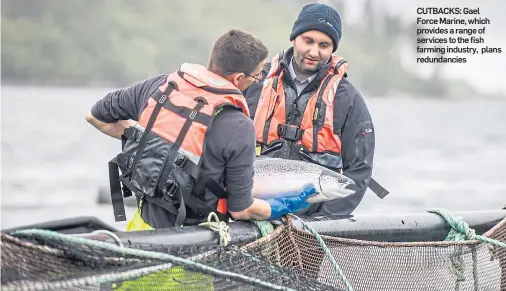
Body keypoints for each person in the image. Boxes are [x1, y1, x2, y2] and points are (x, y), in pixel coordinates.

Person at [85, 28, 317, 232]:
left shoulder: (159, 87)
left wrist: (146, 140)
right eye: (256, 76)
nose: (257, 81)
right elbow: (242, 209)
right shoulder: (239, 126)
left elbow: (95, 117)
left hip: (140, 235)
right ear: (238, 78)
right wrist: (285, 205)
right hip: (194, 245)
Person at [244, 3, 388, 217]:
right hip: (250, 212)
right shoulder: (255, 82)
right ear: (294, 38)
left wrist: (325, 219)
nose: (314, 51)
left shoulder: (347, 99)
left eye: (324, 45)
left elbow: (359, 172)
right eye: (308, 41)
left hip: (313, 221)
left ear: (333, 48)